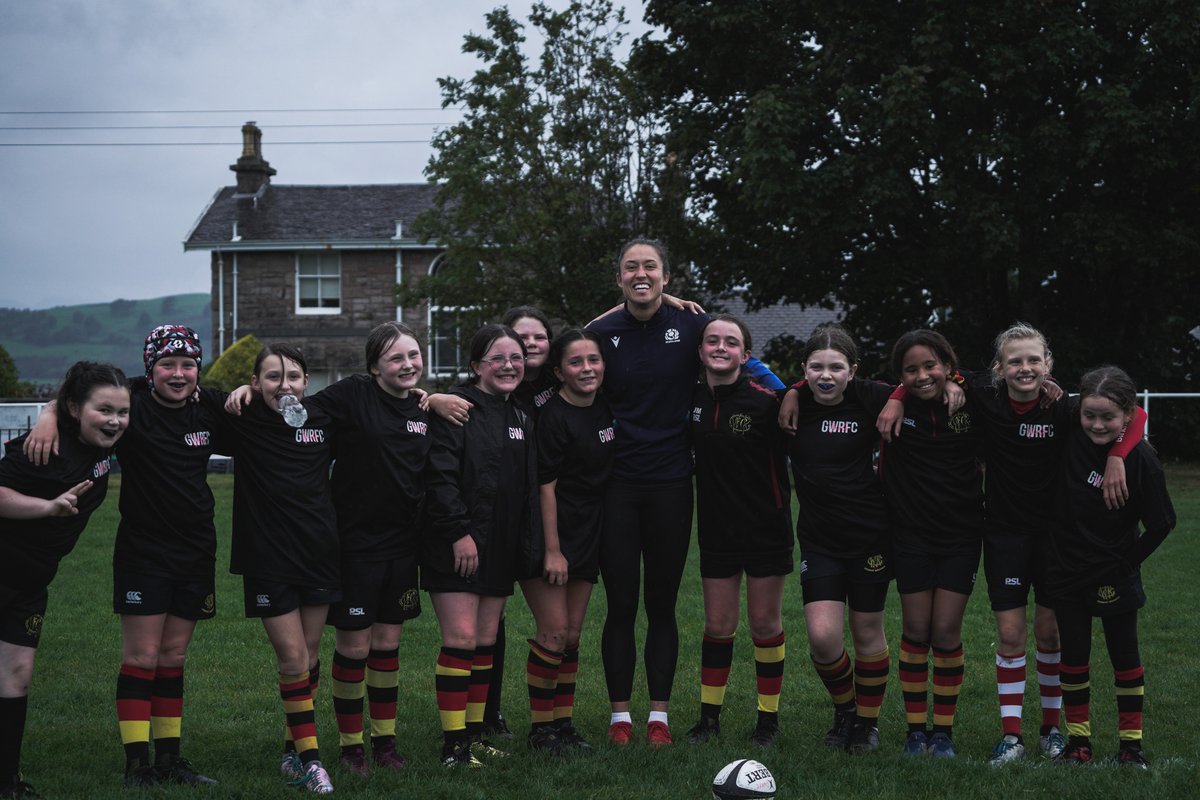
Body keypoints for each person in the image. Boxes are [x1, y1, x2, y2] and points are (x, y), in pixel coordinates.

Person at [24, 326, 232, 788]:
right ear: (149, 367)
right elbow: (81, 398)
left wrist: (242, 391)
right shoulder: (131, 402)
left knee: (174, 657)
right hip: (144, 551)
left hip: (197, 550)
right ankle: (138, 766)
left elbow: (255, 408)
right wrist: (47, 413)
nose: (178, 374)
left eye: (188, 365)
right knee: (142, 656)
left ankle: (171, 760)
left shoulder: (209, 406)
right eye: (167, 365)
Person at [227, 323, 429, 776]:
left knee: (374, 647)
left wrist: (437, 398)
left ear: (307, 380)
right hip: (345, 547)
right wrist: (247, 388)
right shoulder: (333, 401)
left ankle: (381, 743)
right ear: (374, 366)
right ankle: (347, 748)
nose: (407, 364)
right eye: (396, 357)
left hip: (388, 548)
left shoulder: (413, 408)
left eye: (413, 355)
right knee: (338, 651)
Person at [586, 237, 712, 746]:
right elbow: (559, 372)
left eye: (651, 267)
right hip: (615, 486)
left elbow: (741, 359)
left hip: (671, 484)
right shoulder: (599, 332)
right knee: (620, 604)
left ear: (666, 275)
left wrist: (789, 397)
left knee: (661, 605)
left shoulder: (694, 325)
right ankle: (620, 718)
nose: (641, 274)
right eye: (631, 268)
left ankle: (658, 716)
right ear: (619, 278)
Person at [0, 362, 130, 799]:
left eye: (122, 411)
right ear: (77, 409)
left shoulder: (97, 439)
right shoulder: (43, 448)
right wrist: (46, 508)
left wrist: (52, 407)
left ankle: (8, 783)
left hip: (31, 582)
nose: (115, 420)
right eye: (104, 410)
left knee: (17, 674)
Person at [1045, 366, 1173, 769]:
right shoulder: (1070, 432)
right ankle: (1078, 743)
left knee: (1125, 658)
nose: (1097, 425)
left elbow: (1162, 523)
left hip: (1113, 574)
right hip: (1066, 570)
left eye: (1108, 418)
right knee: (1074, 658)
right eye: (1090, 415)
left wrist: (1125, 564)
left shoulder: (1141, 462)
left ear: (1127, 417)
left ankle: (1130, 746)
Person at [423, 324, 539, 768]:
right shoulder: (456, 409)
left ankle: (473, 737)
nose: (509, 366)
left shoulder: (520, 415)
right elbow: (440, 477)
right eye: (497, 359)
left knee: (486, 642)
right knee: (462, 639)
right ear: (476, 366)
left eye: (516, 358)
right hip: (456, 543)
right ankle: (453, 746)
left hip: (500, 546)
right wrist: (457, 532)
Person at [776, 324, 896, 754]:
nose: (826, 376)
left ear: (853, 371)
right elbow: (745, 369)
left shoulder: (870, 397)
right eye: (816, 367)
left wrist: (903, 396)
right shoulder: (792, 403)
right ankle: (845, 708)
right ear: (803, 370)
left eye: (836, 368)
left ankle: (867, 723)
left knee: (867, 632)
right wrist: (792, 389)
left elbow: (924, 382)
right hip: (819, 539)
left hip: (870, 538)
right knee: (823, 637)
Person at [226, 344, 339, 794]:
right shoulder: (242, 419)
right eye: (272, 377)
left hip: (320, 553)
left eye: (292, 376)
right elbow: (173, 391)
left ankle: (291, 752)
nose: (284, 385)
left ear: (306, 383)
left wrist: (433, 397)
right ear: (255, 383)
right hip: (267, 556)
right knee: (291, 658)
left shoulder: (324, 419)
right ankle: (313, 763)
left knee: (310, 659)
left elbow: (379, 397)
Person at [683, 315, 792, 749]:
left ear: (746, 355)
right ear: (700, 351)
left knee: (764, 625)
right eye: (712, 340)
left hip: (766, 526)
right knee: (718, 624)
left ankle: (768, 721)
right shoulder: (689, 397)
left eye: (731, 342)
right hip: (716, 530)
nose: (721, 347)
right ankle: (709, 720)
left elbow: (810, 407)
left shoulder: (770, 400)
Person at [875, 330, 981, 758]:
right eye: (910, 370)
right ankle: (915, 732)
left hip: (962, 536)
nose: (922, 376)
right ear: (899, 376)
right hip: (911, 535)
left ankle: (944, 733)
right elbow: (826, 381)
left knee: (946, 632)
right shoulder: (887, 404)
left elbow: (1010, 380)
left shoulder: (974, 400)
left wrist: (960, 381)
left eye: (930, 366)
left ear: (948, 365)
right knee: (917, 632)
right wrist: (897, 396)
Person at [524, 327, 615, 753]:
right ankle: (541, 729)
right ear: (558, 372)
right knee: (554, 632)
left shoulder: (606, 407)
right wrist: (553, 550)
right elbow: (546, 486)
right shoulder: (553, 417)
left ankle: (563, 725)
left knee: (573, 634)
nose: (587, 368)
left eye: (593, 360)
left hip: (589, 532)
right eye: (575, 362)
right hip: (551, 536)